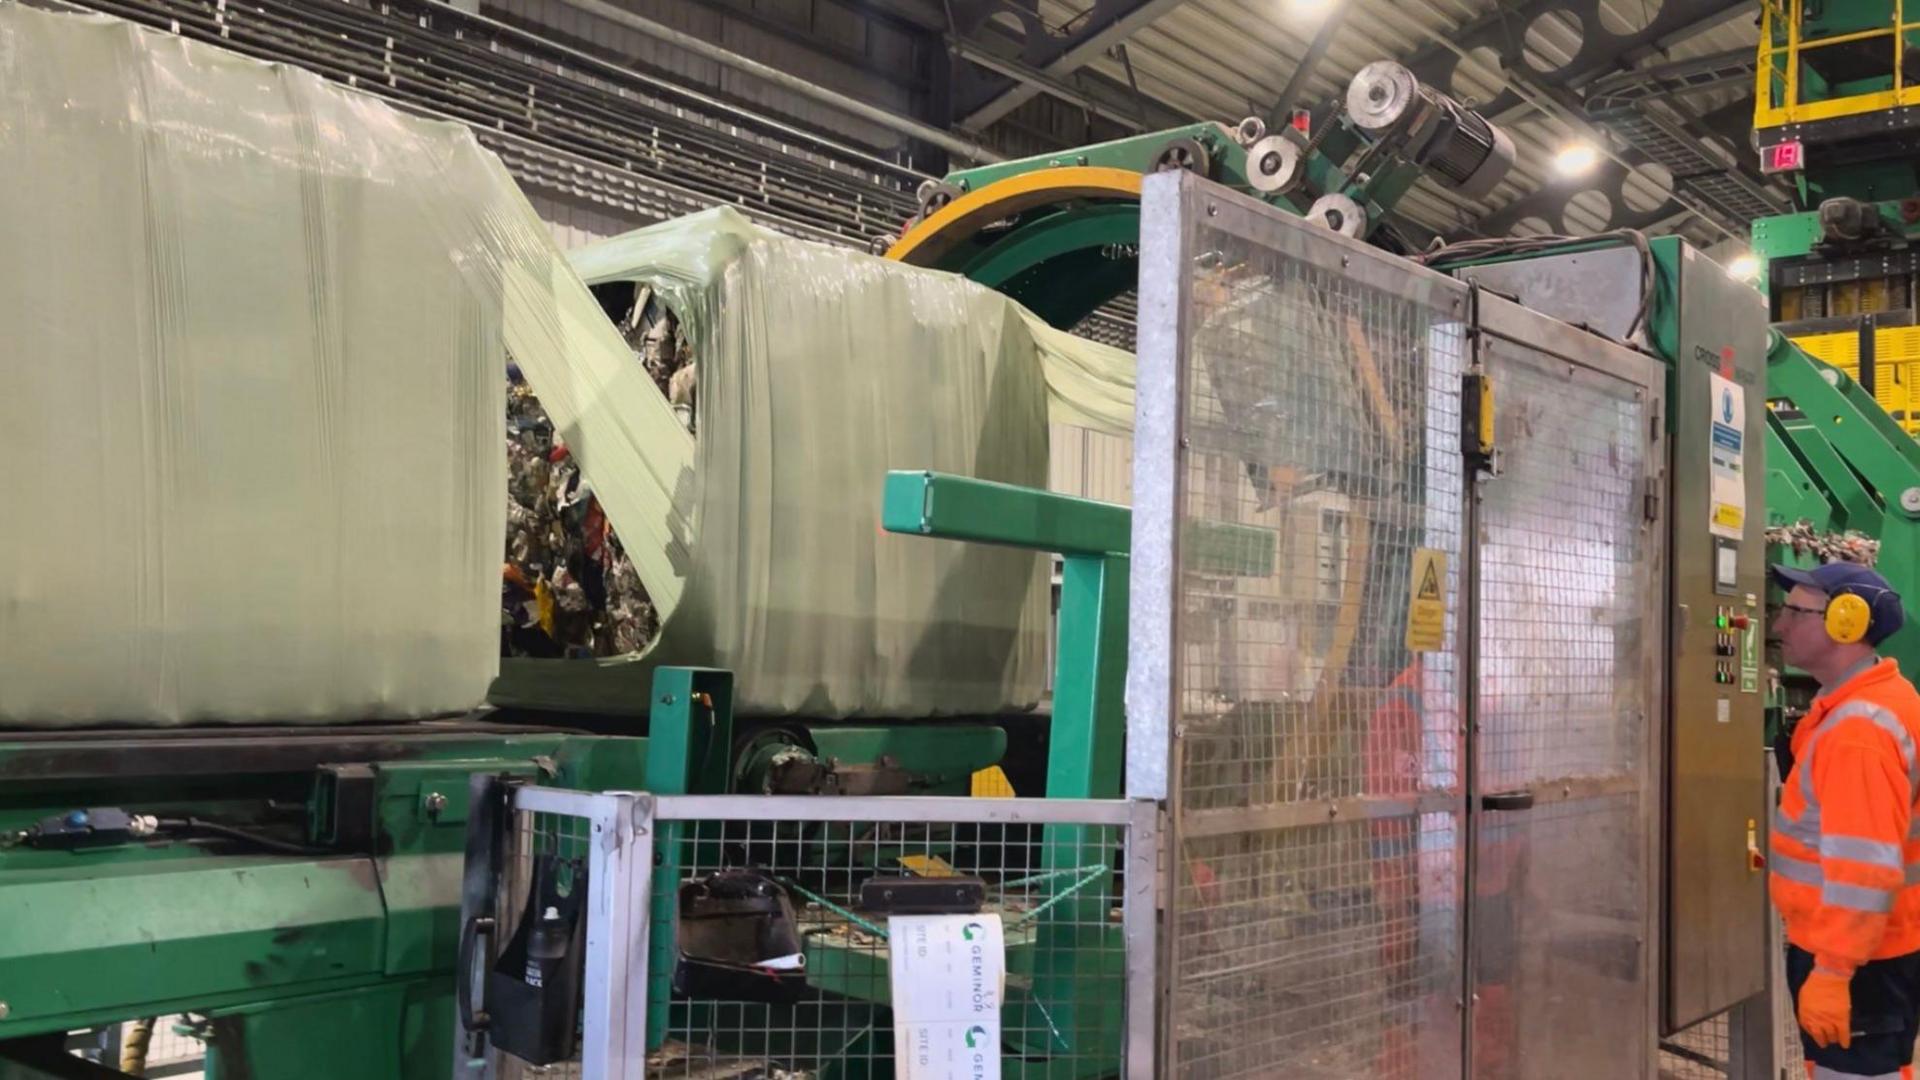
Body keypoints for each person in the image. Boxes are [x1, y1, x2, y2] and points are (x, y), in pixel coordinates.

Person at [1769, 561, 1920, 1079]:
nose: (1777, 625)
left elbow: (1865, 867)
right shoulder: (1873, 704)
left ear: (1846, 623)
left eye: (1794, 611)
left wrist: (1833, 972)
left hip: (1858, 958)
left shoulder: (1859, 730)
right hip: (1870, 945)